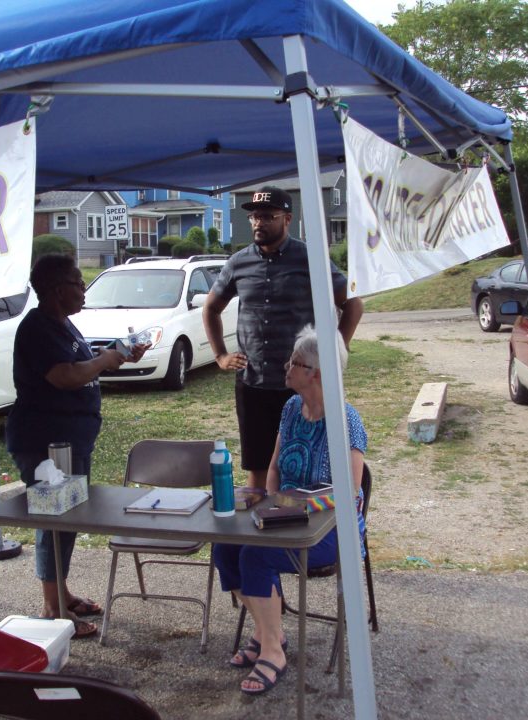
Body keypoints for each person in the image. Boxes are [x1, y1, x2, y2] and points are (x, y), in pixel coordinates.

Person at [212, 325, 367, 695]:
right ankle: (269, 633)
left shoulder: (347, 421)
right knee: (225, 547)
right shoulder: (292, 408)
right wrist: (266, 505)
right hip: (283, 521)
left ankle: (272, 651)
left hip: (330, 531)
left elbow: (351, 490)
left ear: (315, 372)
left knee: (255, 557)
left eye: (294, 362)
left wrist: (301, 507)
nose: (286, 367)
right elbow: (276, 467)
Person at [6, 253, 147, 638]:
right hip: (47, 445)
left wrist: (116, 353)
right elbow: (65, 376)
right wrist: (103, 361)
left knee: (63, 521)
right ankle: (54, 612)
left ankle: (61, 594)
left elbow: (82, 364)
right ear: (56, 290)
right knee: (55, 520)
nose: (84, 290)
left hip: (68, 441)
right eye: (77, 283)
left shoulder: (61, 325)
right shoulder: (37, 328)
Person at [202, 185, 363, 490]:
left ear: (287, 219)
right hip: (253, 383)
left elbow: (353, 304)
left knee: (305, 466)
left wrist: (334, 352)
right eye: (254, 217)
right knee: (259, 470)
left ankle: (304, 531)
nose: (259, 223)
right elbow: (211, 308)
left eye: (268, 216)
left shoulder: (309, 258)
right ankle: (264, 531)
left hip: (302, 385)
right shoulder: (238, 262)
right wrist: (221, 355)